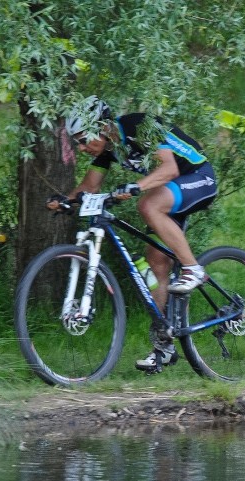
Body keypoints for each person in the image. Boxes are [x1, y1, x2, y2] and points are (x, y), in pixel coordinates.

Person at [47, 98, 218, 372]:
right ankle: (164, 345)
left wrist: (137, 186)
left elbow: (170, 169)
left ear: (102, 127)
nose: (80, 149)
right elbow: (89, 186)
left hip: (198, 177)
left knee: (148, 204)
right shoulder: (107, 151)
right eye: (76, 143)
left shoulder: (137, 125)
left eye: (82, 140)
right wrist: (67, 201)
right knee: (155, 263)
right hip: (171, 191)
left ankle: (193, 269)